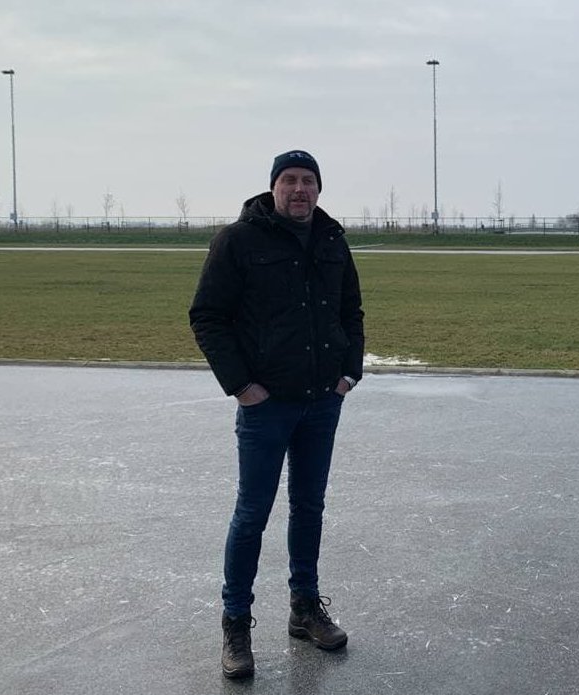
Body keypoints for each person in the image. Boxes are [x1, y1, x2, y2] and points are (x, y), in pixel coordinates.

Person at [190, 149, 365, 679]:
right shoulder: (238, 241)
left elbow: (350, 309)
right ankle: (236, 624)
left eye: (308, 180)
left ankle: (304, 608)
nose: (299, 189)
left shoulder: (331, 239)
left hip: (321, 401)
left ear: (319, 189)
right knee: (252, 514)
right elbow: (207, 315)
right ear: (273, 187)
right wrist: (242, 386)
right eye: (289, 180)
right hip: (266, 406)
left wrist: (348, 372)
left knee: (309, 507)